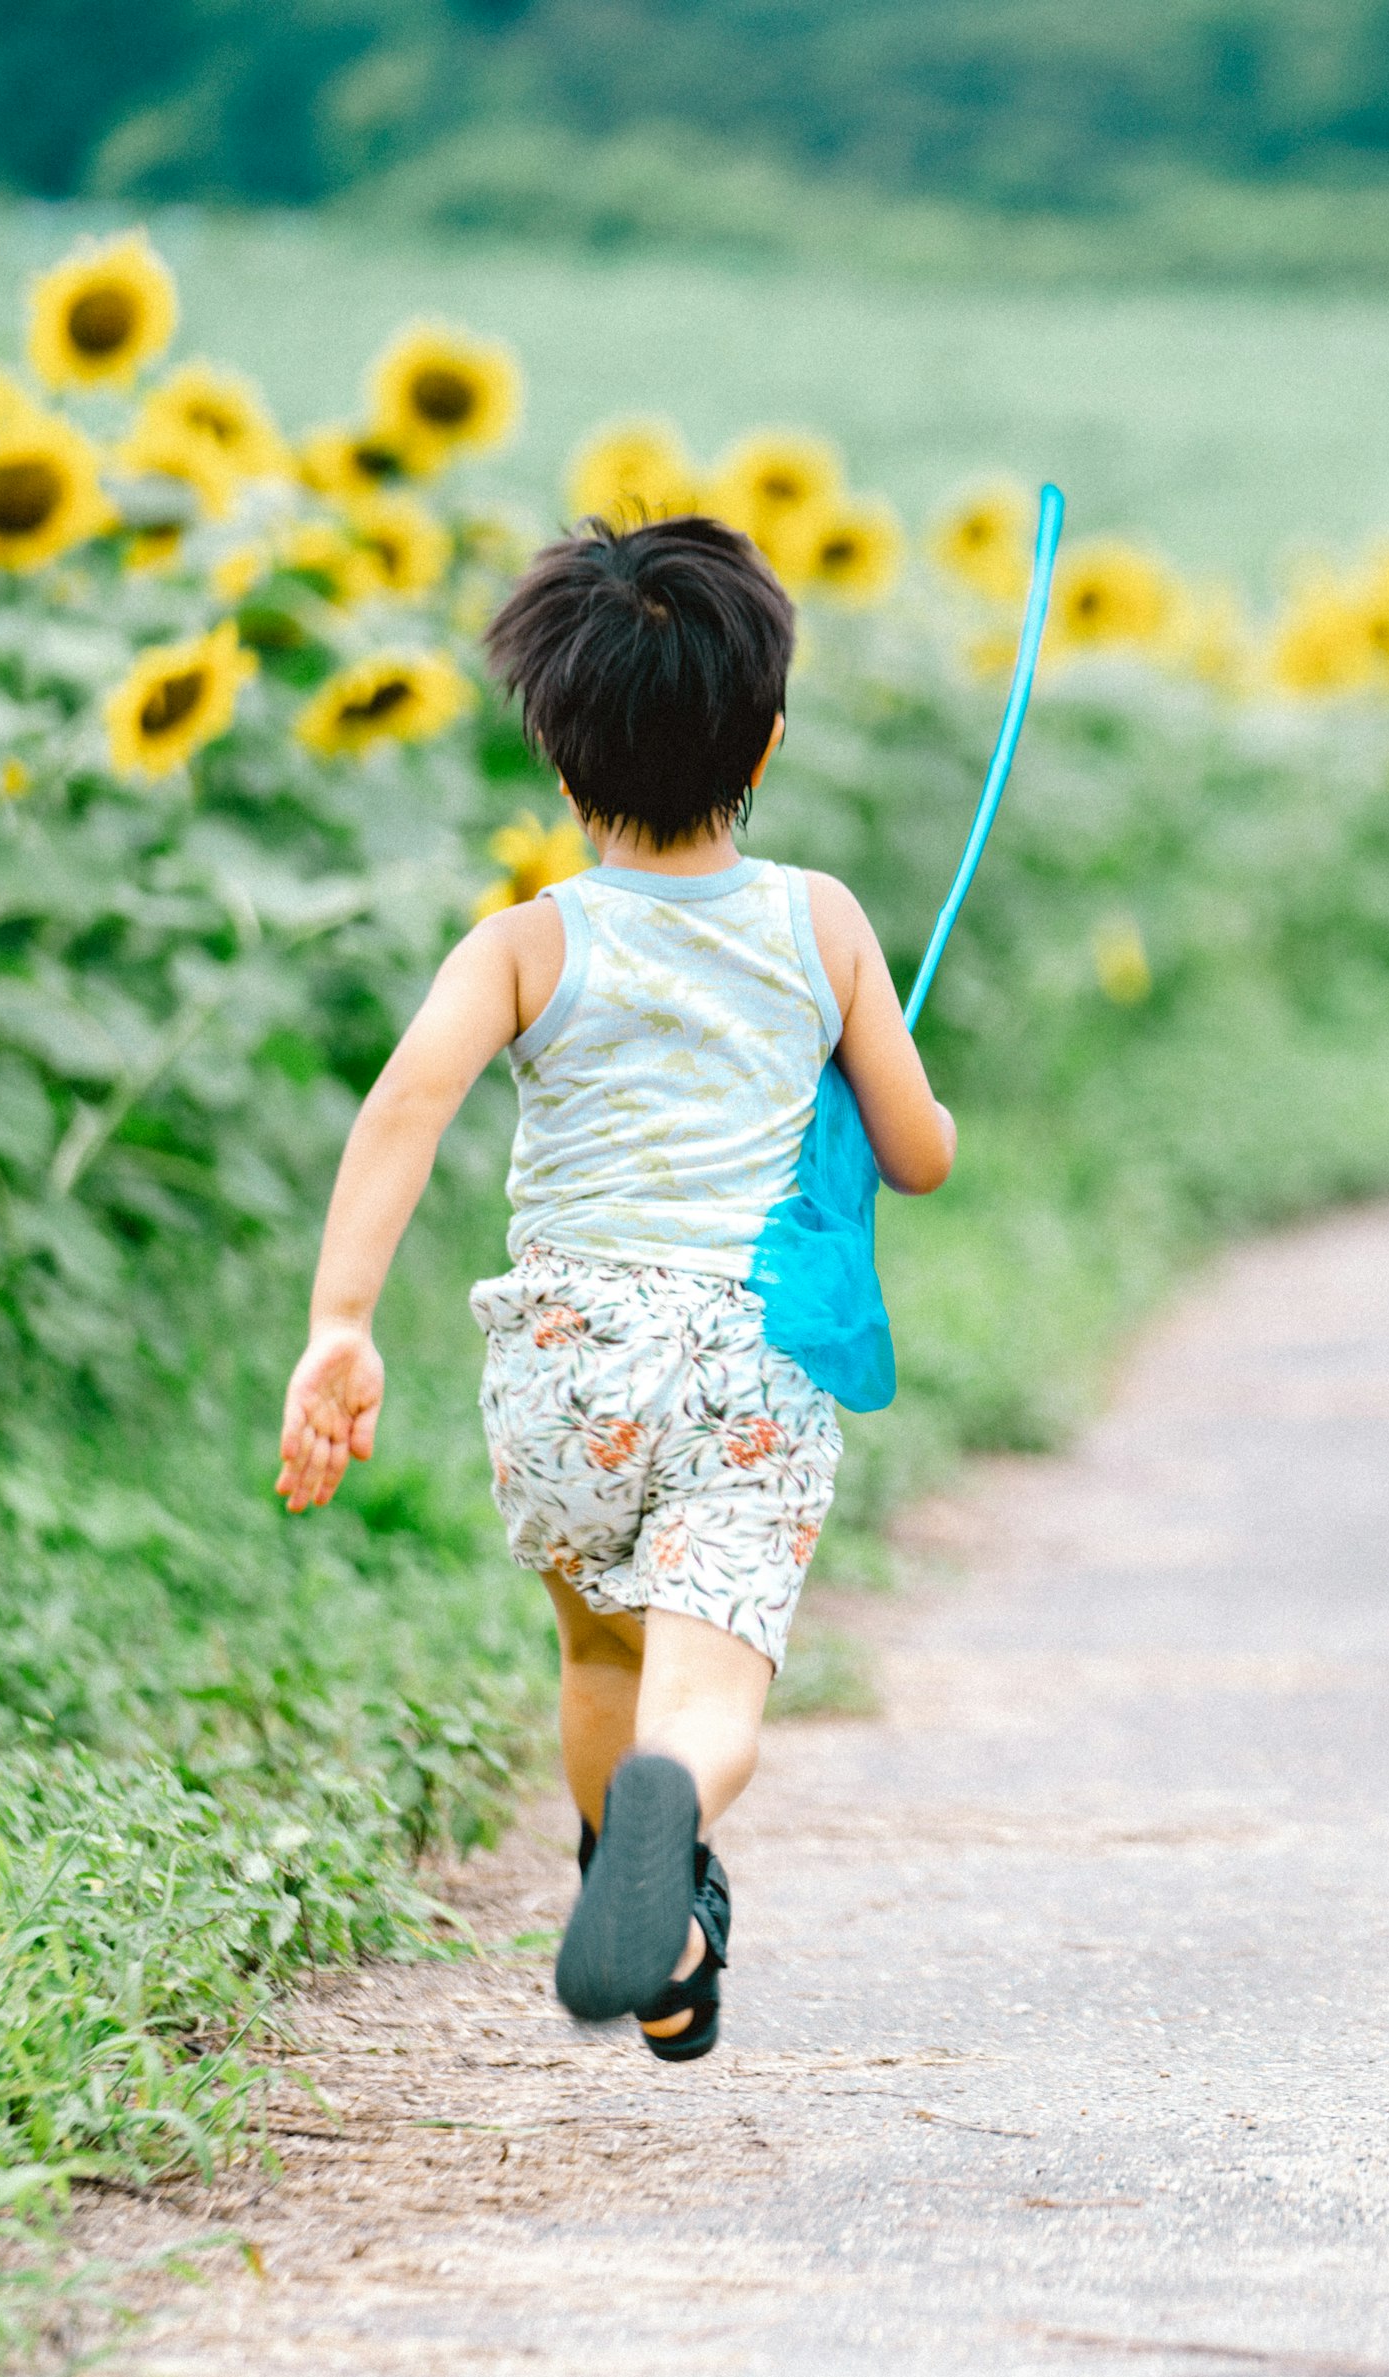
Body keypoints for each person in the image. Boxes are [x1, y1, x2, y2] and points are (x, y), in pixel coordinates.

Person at [275, 515, 955, 2061]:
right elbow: (918, 1154)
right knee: (705, 1692)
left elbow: (405, 1106)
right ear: (765, 740)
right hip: (746, 1365)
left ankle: (640, 1912)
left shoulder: (528, 941)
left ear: (560, 760)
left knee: (597, 1649)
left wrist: (340, 1323)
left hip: (566, 1360)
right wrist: (901, 1105)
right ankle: (677, 1811)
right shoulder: (822, 923)